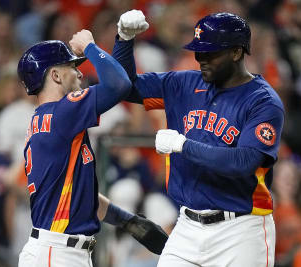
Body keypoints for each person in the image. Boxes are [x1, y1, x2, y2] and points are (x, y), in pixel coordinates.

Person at [113, 10, 284, 267]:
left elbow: (244, 161)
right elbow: (126, 87)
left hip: (241, 230)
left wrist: (183, 145)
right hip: (187, 226)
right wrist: (124, 39)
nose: (201, 58)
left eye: (210, 53)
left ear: (237, 52)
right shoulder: (184, 84)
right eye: (198, 51)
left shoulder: (263, 101)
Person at [17, 30, 168, 267]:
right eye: (72, 66)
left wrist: (126, 221)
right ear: (55, 75)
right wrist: (89, 46)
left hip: (58, 251)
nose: (79, 72)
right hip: (56, 253)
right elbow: (119, 84)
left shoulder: (50, 119)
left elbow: (79, 196)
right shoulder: (63, 112)